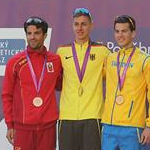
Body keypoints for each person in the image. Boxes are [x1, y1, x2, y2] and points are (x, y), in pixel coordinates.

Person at [2, 16, 62, 150]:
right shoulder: (15, 62)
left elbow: (61, 85)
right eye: (29, 33)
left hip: (48, 127)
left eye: (37, 33)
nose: (32, 37)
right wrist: (10, 125)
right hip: (23, 128)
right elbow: (7, 95)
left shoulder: (55, 60)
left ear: (45, 35)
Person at [57, 8, 110, 150]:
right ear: (72, 26)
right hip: (67, 116)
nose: (79, 28)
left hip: (93, 116)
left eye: (84, 24)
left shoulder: (103, 51)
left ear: (91, 26)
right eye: (76, 24)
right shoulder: (62, 51)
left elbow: (114, 79)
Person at [101, 15, 150, 150]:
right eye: (117, 31)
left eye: (124, 31)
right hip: (109, 127)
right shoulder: (109, 58)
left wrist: (149, 126)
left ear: (133, 33)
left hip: (132, 128)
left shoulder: (145, 60)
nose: (120, 35)